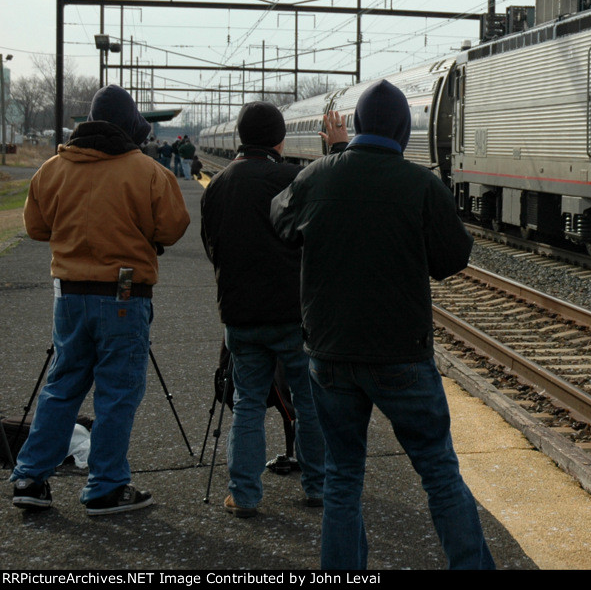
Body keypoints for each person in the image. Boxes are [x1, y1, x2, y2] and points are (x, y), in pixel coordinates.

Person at [270, 80, 494, 571]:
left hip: (329, 355)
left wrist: (329, 163)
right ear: (402, 130)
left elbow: (281, 222)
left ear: (357, 126)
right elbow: (453, 257)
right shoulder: (421, 185)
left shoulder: (318, 177)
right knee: (438, 472)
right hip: (401, 356)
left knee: (342, 476)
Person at [11, 84, 190, 516]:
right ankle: (105, 485)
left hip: (69, 296)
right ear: (128, 125)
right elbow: (172, 228)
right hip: (124, 296)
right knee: (117, 392)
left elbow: (36, 227)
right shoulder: (146, 171)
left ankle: (30, 477)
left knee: (62, 384)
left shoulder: (53, 169)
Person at [200, 102, 329, 518]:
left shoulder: (218, 185)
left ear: (240, 137)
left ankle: (245, 494)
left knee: (249, 404)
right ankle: (319, 486)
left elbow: (211, 247)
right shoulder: (295, 178)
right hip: (295, 315)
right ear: (279, 140)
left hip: (240, 315)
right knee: (308, 403)